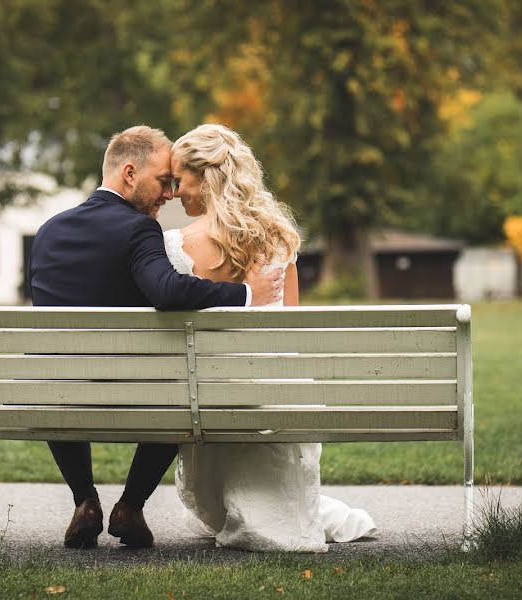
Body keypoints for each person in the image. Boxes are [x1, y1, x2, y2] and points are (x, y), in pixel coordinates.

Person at [29, 125, 285, 550]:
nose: (168, 193)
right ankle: (130, 505)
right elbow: (168, 290)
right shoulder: (137, 230)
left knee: (63, 377)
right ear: (130, 174)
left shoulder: (49, 232)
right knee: (180, 388)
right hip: (137, 392)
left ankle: (84, 501)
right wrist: (246, 294)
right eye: (162, 182)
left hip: (61, 392)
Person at [165, 124, 377, 552]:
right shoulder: (278, 238)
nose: (173, 192)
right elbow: (290, 329)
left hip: (204, 397)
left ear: (204, 177)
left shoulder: (175, 246)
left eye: (178, 180)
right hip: (272, 393)